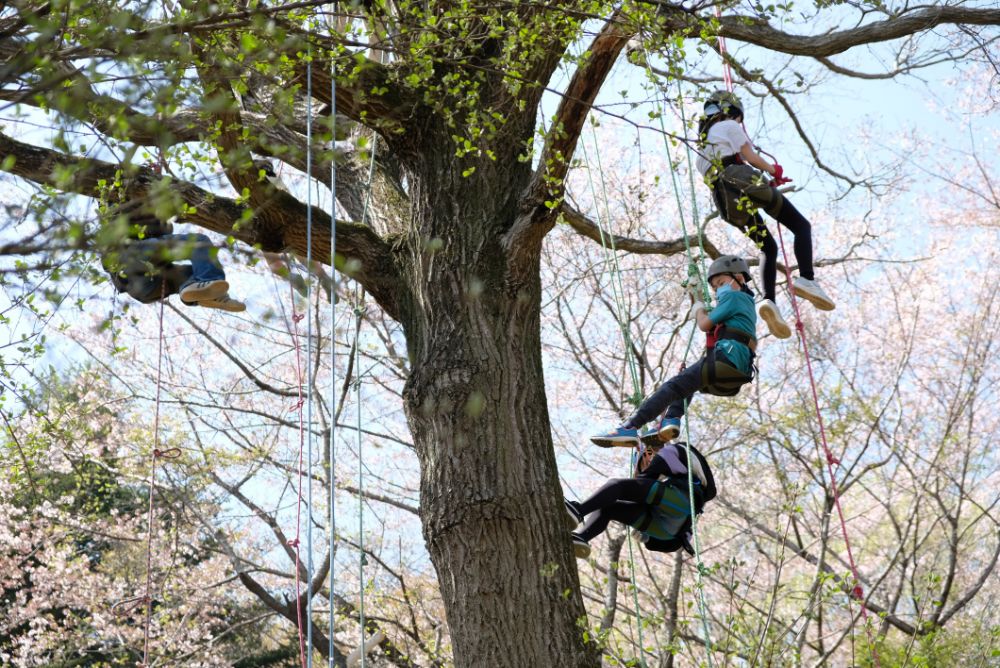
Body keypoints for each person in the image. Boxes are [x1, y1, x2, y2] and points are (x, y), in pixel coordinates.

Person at [695, 90, 836, 340]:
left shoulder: (702, 148)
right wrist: (774, 170)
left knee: (768, 247)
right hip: (741, 178)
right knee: (801, 226)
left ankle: (769, 301)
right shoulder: (728, 125)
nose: (738, 123)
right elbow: (749, 157)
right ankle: (806, 279)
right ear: (729, 112)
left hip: (723, 200)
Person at [591, 255, 757, 447]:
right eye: (716, 287)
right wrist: (696, 297)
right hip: (738, 369)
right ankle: (671, 419)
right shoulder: (745, 305)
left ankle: (630, 426)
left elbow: (704, 323)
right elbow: (712, 330)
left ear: (740, 278)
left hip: (727, 360)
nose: (719, 290)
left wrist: (698, 308)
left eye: (721, 283)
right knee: (687, 382)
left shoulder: (733, 297)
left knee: (673, 386)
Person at [564, 440, 716, 558]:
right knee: (609, 508)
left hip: (681, 503)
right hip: (669, 530)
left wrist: (643, 466)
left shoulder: (672, 452)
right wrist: (648, 539)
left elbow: (643, 479)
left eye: (647, 458)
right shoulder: (676, 466)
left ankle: (579, 510)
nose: (647, 462)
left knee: (617, 485)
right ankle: (581, 537)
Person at [101, 203, 245, 312]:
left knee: (195, 271)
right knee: (198, 242)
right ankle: (208, 282)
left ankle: (204, 295)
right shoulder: (120, 201)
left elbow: (163, 230)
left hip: (147, 289)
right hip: (133, 257)